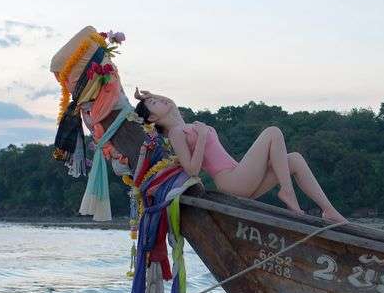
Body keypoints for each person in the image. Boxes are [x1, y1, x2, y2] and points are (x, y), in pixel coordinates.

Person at [134, 89, 345, 223]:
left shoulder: (184, 123)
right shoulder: (176, 133)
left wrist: (149, 96)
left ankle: (329, 211)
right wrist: (203, 137)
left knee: (295, 159)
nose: (160, 100)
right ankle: (287, 192)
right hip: (232, 181)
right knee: (272, 132)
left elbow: (170, 102)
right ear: (152, 117)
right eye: (154, 103)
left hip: (240, 175)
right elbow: (192, 169)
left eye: (158, 99)